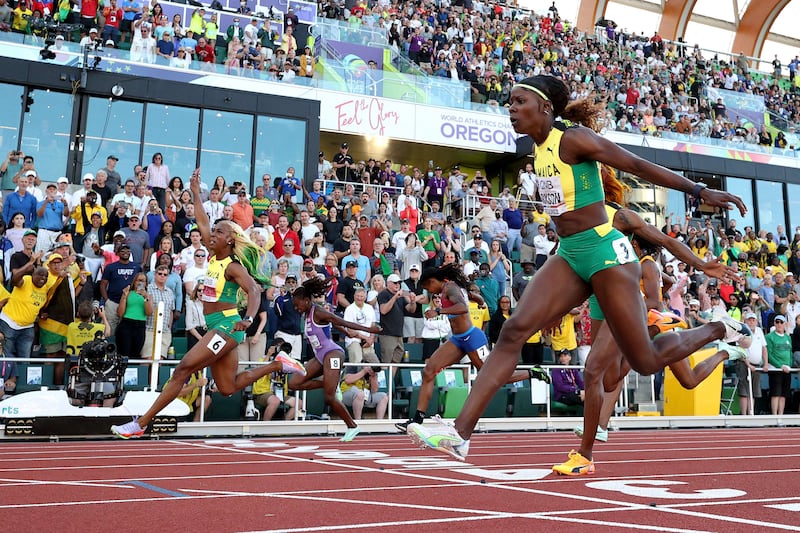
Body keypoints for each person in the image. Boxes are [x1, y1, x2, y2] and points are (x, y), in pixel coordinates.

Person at [406, 75, 749, 463]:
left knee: (645, 360)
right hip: (569, 252)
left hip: (606, 252)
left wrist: (701, 192)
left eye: (519, 102)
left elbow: (636, 163)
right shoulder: (537, 150)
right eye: (509, 102)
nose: (511, 109)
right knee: (514, 330)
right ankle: (460, 433)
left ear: (545, 108)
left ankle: (720, 329)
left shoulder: (574, 139)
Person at [111, 170, 306, 438]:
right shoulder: (214, 256)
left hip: (227, 326)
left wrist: (247, 319)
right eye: (212, 231)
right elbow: (201, 219)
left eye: (218, 231)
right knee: (227, 387)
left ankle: (141, 423)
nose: (211, 234)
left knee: (183, 368)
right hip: (214, 325)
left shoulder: (233, 267)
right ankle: (278, 364)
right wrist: (194, 191)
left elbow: (254, 292)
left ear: (230, 239)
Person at [400, 264, 548, 433]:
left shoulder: (451, 288)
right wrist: (481, 301)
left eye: (428, 287)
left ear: (433, 281)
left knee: (490, 378)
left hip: (472, 338)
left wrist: (438, 311)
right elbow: (471, 296)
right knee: (429, 371)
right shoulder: (448, 288)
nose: (429, 291)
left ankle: (533, 372)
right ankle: (418, 419)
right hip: (458, 339)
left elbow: (462, 307)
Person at [286, 276, 382, 442]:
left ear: (306, 300)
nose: (296, 308)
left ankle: (352, 426)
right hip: (320, 356)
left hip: (333, 354)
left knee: (329, 397)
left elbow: (340, 320)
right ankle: (329, 382)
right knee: (294, 383)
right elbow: (334, 325)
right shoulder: (308, 313)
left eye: (297, 304)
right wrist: (346, 333)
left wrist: (367, 329)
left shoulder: (319, 311)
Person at [252, 340, 303, 420]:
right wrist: (269, 355)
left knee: (299, 403)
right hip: (263, 393)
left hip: (281, 394)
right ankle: (264, 427)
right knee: (275, 401)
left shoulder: (285, 363)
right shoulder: (263, 360)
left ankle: (284, 424)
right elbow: (260, 371)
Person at [766, 314, 792, 415]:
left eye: (781, 322)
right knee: (775, 393)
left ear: (785, 324)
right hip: (775, 369)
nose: (779, 324)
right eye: (777, 322)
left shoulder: (787, 337)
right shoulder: (769, 337)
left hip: (787, 369)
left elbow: (790, 352)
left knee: (783, 394)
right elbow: (769, 354)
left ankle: (781, 416)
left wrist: (789, 365)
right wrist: (780, 366)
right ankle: (774, 416)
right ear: (774, 323)